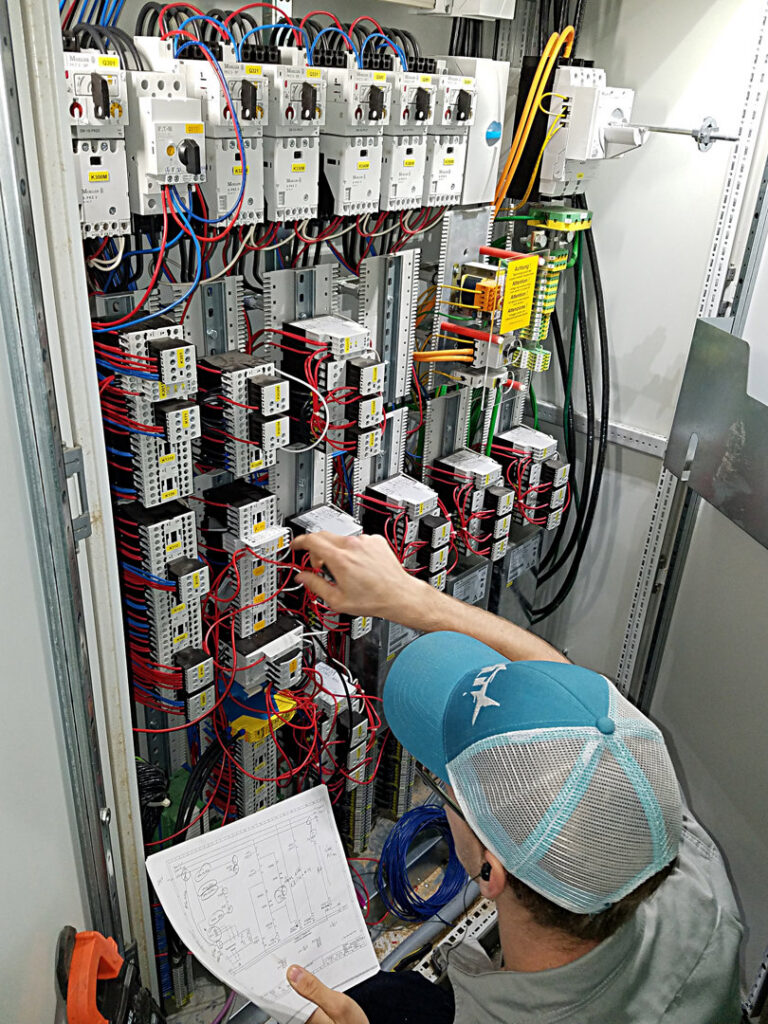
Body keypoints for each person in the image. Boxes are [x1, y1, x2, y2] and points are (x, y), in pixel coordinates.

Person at [282, 531, 743, 1024]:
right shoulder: (695, 885)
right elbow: (580, 713)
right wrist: (411, 599)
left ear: (491, 872)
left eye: (444, 785)